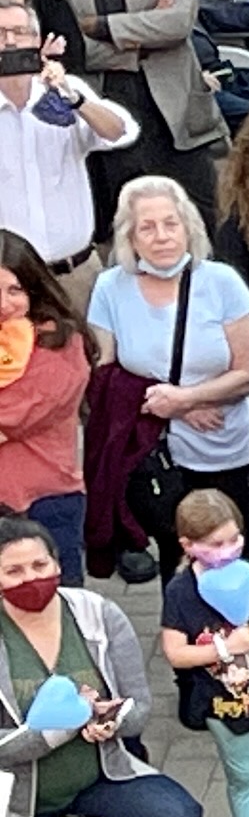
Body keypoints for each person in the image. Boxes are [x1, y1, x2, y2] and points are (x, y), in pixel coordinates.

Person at [0, 507, 201, 817]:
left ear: (57, 564)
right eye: (13, 571)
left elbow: (139, 706)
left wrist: (111, 719)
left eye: (39, 565)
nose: (30, 578)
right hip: (15, 809)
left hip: (97, 781)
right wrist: (54, 732)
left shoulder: (97, 613)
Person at [93, 173, 249, 561]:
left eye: (171, 224)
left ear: (189, 228)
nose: (161, 236)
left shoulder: (222, 281)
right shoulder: (109, 288)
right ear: (130, 237)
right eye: (147, 227)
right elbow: (106, 380)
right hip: (156, 447)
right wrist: (174, 408)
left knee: (239, 546)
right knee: (178, 552)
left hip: (224, 441)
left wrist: (187, 399)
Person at [49, 0, 223, 242]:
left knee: (204, 225)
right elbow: (74, 53)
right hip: (111, 110)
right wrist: (145, 33)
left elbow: (177, 23)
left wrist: (99, 25)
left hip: (176, 109)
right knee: (129, 230)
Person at [0, 0, 125, 267]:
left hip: (73, 269)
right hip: (6, 280)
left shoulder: (66, 90)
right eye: (0, 33)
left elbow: (116, 132)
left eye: (19, 33)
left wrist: (72, 97)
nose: (9, 42)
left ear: (37, 40)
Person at [0, 238, 94, 583]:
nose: (4, 304)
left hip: (45, 503)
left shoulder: (60, 342)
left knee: (56, 608)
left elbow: (21, 413)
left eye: (15, 290)